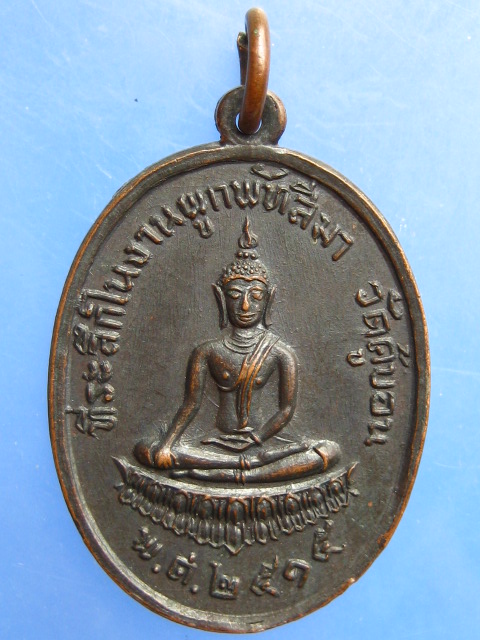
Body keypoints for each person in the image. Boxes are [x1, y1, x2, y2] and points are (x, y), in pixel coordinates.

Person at [134, 218, 339, 483]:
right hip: (217, 443)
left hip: (263, 442)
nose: (245, 306)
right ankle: (242, 467)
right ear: (221, 299)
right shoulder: (208, 351)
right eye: (235, 295)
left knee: (328, 451)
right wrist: (168, 444)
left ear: (269, 299)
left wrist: (256, 438)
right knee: (146, 449)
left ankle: (245, 470)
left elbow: (286, 410)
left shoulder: (280, 353)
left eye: (255, 296)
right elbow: (191, 404)